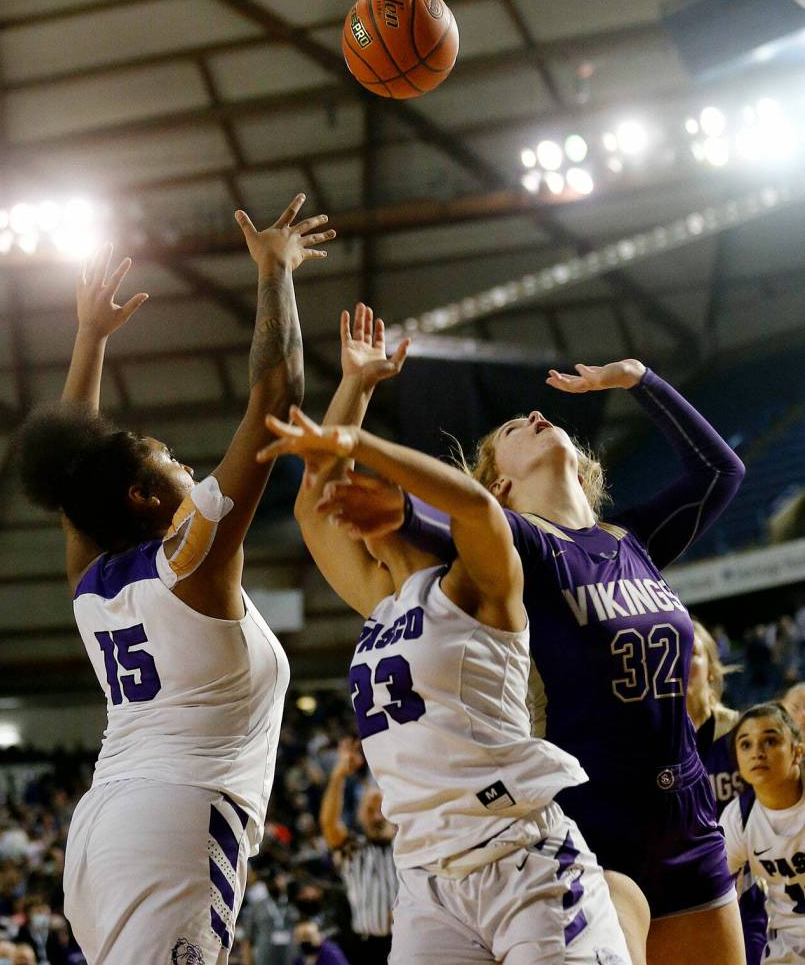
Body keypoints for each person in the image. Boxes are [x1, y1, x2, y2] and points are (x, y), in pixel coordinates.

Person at [311, 356, 747, 965]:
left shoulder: (630, 540)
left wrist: (640, 379)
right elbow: (464, 524)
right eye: (514, 429)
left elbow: (722, 471)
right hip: (592, 822)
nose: (537, 415)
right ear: (498, 487)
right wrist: (401, 507)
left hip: (687, 818)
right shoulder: (519, 545)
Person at [256, 306, 633, 965]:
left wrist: (361, 450)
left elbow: (478, 508)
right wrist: (356, 386)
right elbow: (312, 500)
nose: (348, 502)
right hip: (427, 879)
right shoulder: (381, 602)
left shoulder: (475, 586)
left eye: (367, 490)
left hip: (522, 856)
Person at [18, 196, 335, 965]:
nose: (188, 467)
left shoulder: (92, 580)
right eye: (172, 462)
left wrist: (90, 338)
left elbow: (74, 476)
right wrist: (274, 272)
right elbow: (275, 397)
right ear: (143, 496)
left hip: (105, 832)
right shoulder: (190, 559)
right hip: (174, 822)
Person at [688, 621, 767, 965]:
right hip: (692, 895)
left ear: (711, 667)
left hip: (753, 890)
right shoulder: (657, 747)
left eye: (691, 653)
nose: (680, 662)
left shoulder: (743, 733)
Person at [721, 703, 805, 964]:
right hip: (786, 943)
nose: (757, 752)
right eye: (746, 745)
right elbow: (718, 895)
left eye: (770, 741)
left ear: (797, 752)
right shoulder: (738, 818)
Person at [319, 738, 397, 965]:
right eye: (369, 810)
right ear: (360, 816)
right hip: (365, 948)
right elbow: (329, 824)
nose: (376, 816)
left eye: (381, 809)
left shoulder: (408, 844)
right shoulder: (354, 849)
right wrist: (338, 776)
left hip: (407, 941)